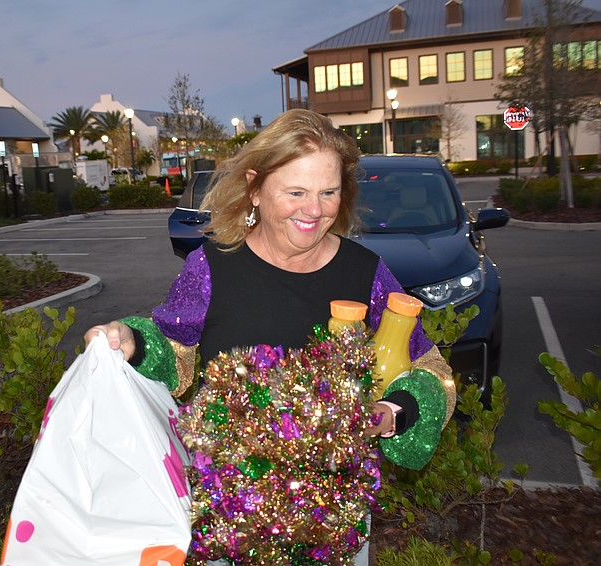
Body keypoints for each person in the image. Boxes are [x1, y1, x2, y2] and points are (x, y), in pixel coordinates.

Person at [85, 108, 455, 562]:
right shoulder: (213, 266)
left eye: (328, 192)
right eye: (295, 191)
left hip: (333, 531)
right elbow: (175, 353)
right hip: (227, 527)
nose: (314, 210)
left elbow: (431, 372)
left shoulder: (366, 273)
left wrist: (390, 412)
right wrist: (132, 339)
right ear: (256, 187)